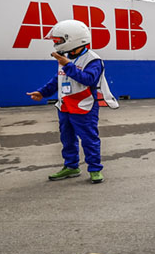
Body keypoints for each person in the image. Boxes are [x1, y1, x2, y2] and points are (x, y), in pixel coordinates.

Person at [27, 19, 118, 184]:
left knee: (89, 139)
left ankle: (95, 169)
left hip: (84, 107)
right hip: (64, 106)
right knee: (67, 138)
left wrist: (67, 65)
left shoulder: (93, 60)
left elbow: (89, 79)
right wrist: (42, 92)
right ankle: (71, 166)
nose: (56, 43)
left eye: (59, 40)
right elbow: (58, 79)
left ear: (73, 39)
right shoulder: (65, 57)